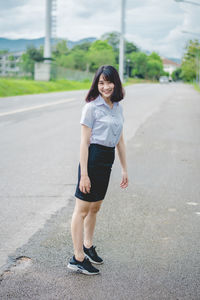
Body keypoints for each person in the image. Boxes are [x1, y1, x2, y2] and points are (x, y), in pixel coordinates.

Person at [67, 65, 128, 275]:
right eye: (101, 83)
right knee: (82, 209)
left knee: (95, 208)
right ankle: (77, 258)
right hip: (92, 159)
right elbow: (84, 143)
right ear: (96, 84)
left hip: (107, 160)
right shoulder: (91, 107)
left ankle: (88, 245)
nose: (105, 87)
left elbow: (120, 140)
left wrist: (124, 169)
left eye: (109, 82)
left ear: (116, 83)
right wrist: (84, 173)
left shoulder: (118, 107)